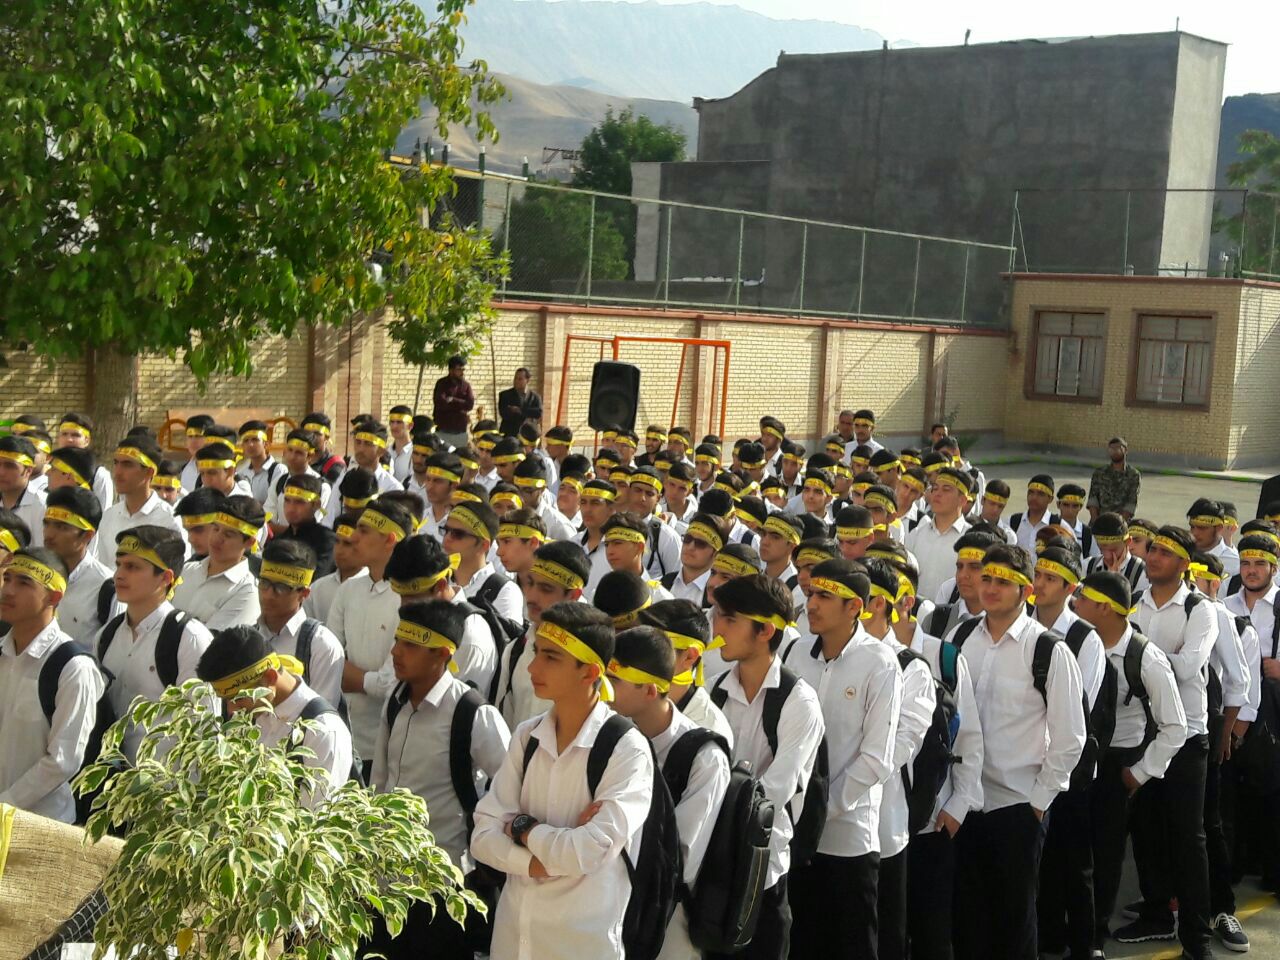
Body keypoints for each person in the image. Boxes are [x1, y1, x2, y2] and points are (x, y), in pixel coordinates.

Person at [470, 602, 654, 960]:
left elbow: (589, 851)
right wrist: (536, 864)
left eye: (551, 657)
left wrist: (522, 829)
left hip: (579, 945)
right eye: (537, 652)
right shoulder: (527, 736)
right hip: (512, 940)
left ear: (589, 672)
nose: (532, 667)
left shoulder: (626, 748)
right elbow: (482, 836)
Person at [949, 543, 1086, 960]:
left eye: (1003, 581)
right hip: (962, 804)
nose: (990, 588)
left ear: (1026, 591)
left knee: (1015, 922)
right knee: (967, 921)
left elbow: (1070, 737)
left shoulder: (1048, 650)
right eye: (986, 578)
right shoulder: (959, 638)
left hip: (1017, 807)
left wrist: (1039, 802)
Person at [364, 599, 511, 960]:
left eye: (410, 645)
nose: (396, 652)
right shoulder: (395, 701)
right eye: (397, 640)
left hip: (443, 886)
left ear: (442, 654)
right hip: (387, 879)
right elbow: (379, 783)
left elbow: (512, 786)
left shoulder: (472, 714)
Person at [784, 558, 905, 960]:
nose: (812, 604)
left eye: (824, 596)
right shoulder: (796, 653)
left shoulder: (880, 662)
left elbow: (876, 759)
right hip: (794, 834)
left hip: (849, 839)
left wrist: (821, 808)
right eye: (811, 593)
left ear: (855, 607)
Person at [706, 573, 824, 960]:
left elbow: (773, 792)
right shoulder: (714, 690)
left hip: (762, 869)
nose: (717, 628)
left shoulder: (798, 702)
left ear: (765, 631)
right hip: (708, 869)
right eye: (718, 616)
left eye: (730, 619)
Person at [1072, 572, 1187, 960]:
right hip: (1079, 757)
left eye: (1083, 598)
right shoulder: (1076, 642)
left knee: (1105, 855)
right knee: (1074, 850)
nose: (1076, 603)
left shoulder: (1145, 657)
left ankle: (1094, 936)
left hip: (1117, 764)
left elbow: (1176, 726)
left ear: (1105, 608)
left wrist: (1138, 773)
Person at [1116, 526, 1216, 960]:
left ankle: (1197, 935)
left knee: (1188, 839)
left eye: (1165, 552)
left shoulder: (1200, 609)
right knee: (1146, 832)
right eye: (1152, 549)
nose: (1153, 557)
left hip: (1187, 737)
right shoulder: (1135, 603)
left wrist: (1142, 659)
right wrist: (1153, 659)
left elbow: (1190, 667)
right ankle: (1157, 913)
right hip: (1143, 734)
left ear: (1183, 564)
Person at [607, 624, 732, 960]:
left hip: (667, 922)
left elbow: (681, 861)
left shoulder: (704, 758)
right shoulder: (608, 736)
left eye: (614, 681)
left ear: (650, 690)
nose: (602, 690)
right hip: (608, 910)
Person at [0, 547, 107, 822]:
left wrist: (5, 805)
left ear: (54, 597)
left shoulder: (73, 667)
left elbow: (63, 759)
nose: (8, 590)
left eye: (24, 583)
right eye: (7, 578)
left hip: (39, 824)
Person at [197, 624, 352, 808]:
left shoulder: (322, 731)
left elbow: (317, 814)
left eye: (238, 699)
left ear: (270, 677)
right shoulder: (248, 717)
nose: (231, 710)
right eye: (226, 701)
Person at [99, 525, 215, 762]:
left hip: (163, 780)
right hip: (107, 777)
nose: (119, 575)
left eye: (133, 567)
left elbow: (204, 731)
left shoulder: (189, 638)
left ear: (165, 578)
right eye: (119, 564)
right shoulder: (106, 635)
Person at [329, 498, 416, 776]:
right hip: (340, 737)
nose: (354, 537)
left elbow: (391, 683)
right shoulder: (348, 589)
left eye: (364, 531)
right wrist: (363, 679)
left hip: (385, 748)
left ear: (390, 539)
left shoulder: (406, 598)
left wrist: (348, 675)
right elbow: (326, 659)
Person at [383, 534, 500, 696]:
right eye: (401, 596)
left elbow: (453, 702)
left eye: (413, 597)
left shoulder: (470, 636)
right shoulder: (417, 617)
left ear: (440, 585)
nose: (404, 605)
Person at [255, 539, 345, 708]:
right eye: (264, 583)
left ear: (304, 593)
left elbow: (322, 715)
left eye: (281, 587)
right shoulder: (249, 636)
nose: (268, 595)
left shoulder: (321, 646)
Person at [171, 496, 264, 630]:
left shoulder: (246, 593)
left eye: (228, 535)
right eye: (215, 529)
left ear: (249, 542)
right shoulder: (187, 570)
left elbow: (211, 641)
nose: (217, 538)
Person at [41, 486, 118, 645]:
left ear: (87, 535)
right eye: (47, 524)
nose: (49, 534)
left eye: (61, 527)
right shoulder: (34, 577)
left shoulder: (106, 587)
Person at [95, 437, 183, 567]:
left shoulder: (169, 520)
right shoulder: (108, 516)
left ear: (149, 472)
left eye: (127, 465)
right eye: (116, 463)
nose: (117, 472)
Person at [905, 467, 973, 601]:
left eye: (946, 490)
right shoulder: (916, 534)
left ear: (962, 500)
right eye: (935, 488)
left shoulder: (970, 539)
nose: (937, 494)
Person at [304, 512, 365, 623]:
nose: (339, 550)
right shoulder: (318, 588)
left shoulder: (372, 590)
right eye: (336, 541)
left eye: (347, 544)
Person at [56, 413, 115, 509]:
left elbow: (105, 513)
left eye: (75, 435)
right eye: (64, 434)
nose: (69, 439)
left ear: (87, 440)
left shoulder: (99, 475)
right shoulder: (51, 471)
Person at [0, 436, 47, 547]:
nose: (1, 472)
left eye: (10, 466)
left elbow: (43, 552)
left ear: (28, 471)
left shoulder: (43, 506)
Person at [1087, 437, 1141, 522]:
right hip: (1099, 520)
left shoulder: (1133, 475)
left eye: (1118, 448)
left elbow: (1131, 503)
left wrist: (1118, 523)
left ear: (1126, 450)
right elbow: (1093, 499)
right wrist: (1095, 521)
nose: (1114, 451)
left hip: (1121, 523)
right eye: (1111, 449)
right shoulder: (1099, 472)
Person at [234, 420, 285, 505]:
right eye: (246, 441)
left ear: (266, 444)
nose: (250, 444)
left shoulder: (278, 471)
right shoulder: (241, 471)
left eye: (255, 440)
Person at [432, 355, 476, 448]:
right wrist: (461, 405)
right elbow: (441, 403)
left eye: (463, 370)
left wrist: (452, 399)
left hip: (460, 431)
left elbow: (470, 405)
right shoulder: (442, 384)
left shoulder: (466, 386)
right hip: (444, 430)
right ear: (451, 370)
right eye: (459, 370)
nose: (462, 373)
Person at [386, 405, 415, 482]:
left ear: (410, 425)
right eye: (392, 422)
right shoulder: (386, 452)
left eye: (399, 422)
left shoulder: (415, 453)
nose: (394, 426)